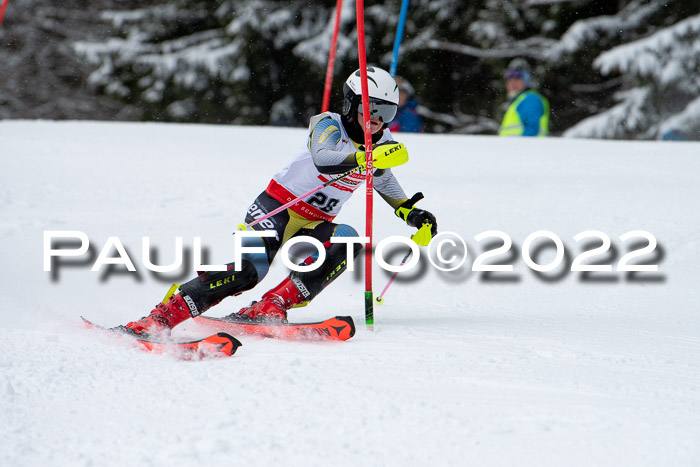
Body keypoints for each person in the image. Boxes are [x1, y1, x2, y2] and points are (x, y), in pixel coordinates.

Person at [121, 66, 438, 335]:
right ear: (352, 103)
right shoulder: (327, 123)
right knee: (249, 272)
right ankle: (162, 316)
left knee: (347, 241)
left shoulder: (382, 141)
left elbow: (382, 177)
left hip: (315, 223)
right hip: (276, 208)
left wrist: (410, 211)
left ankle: (270, 305)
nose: (377, 121)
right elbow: (323, 157)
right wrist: (363, 157)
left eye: (387, 113)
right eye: (372, 110)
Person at [498, 61, 549, 137]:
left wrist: (523, 148)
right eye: (510, 80)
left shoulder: (531, 99)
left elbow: (532, 128)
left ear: (526, 81)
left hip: (525, 148)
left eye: (517, 79)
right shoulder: (519, 101)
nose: (512, 84)